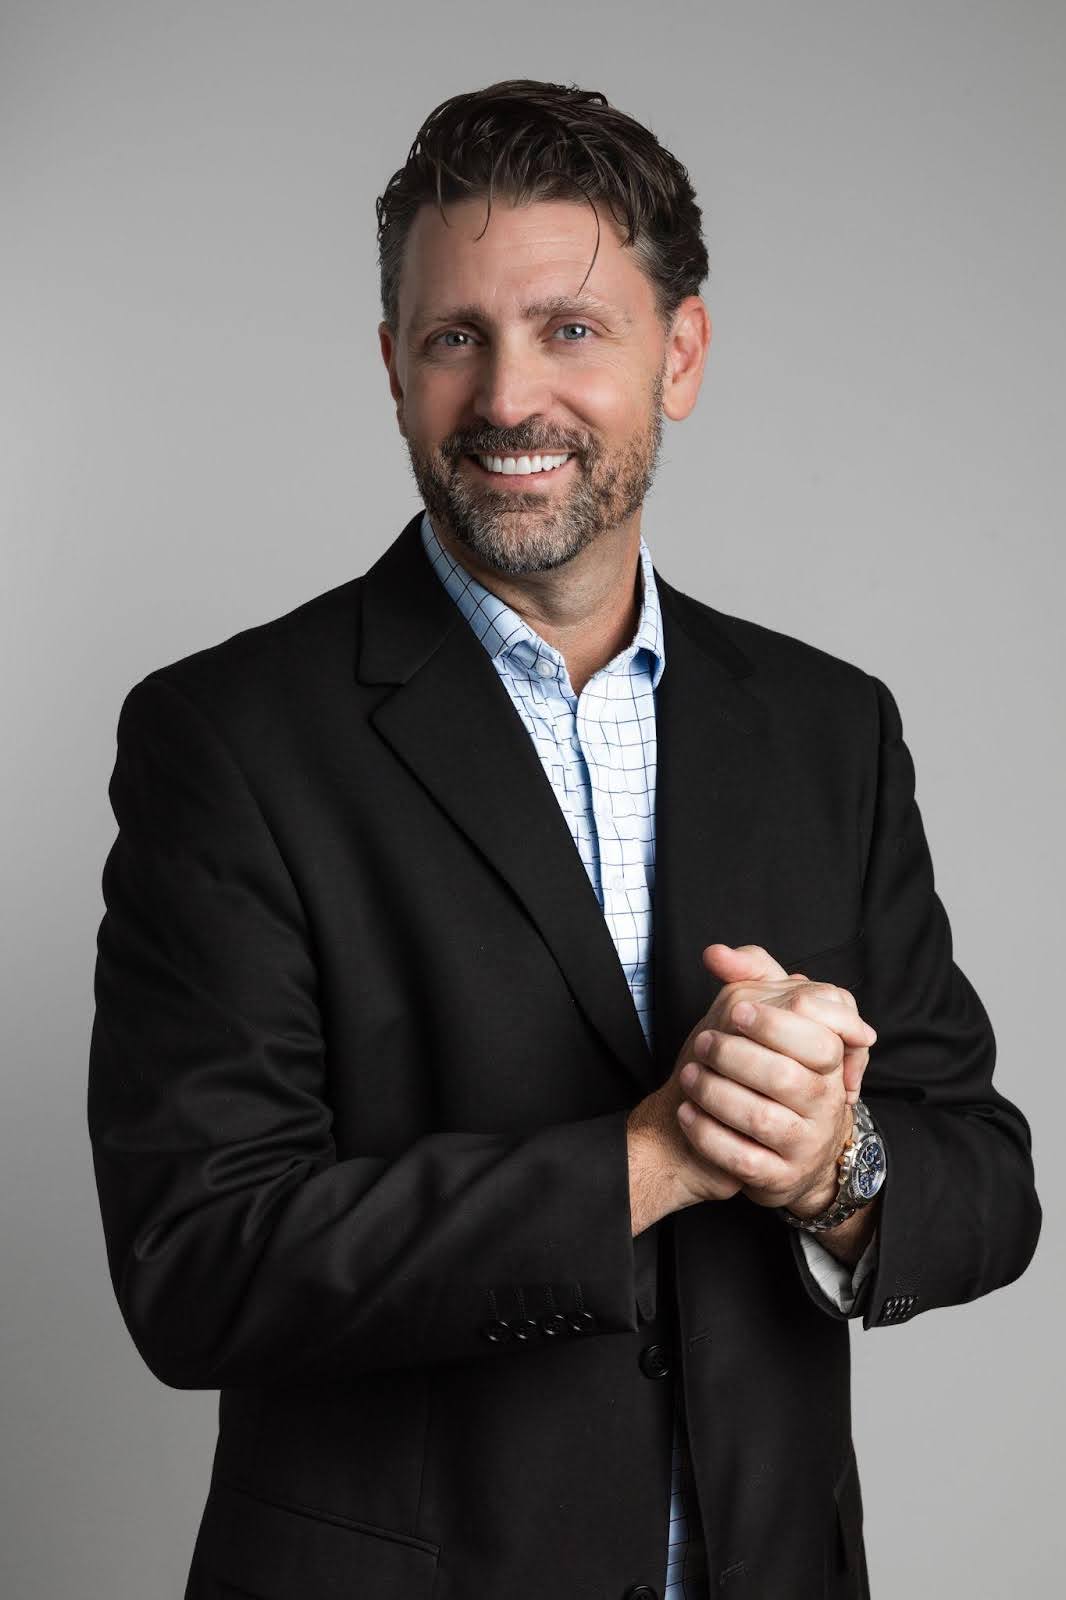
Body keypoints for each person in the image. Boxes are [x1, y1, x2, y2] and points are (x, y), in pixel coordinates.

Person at [88, 79, 1041, 1600]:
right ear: (394, 368)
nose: (508, 396)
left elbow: (984, 1180)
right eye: (456, 335)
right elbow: (201, 1264)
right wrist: (648, 1160)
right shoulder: (228, 737)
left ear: (681, 356)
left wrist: (830, 1164)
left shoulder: (827, 725)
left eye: (570, 329)